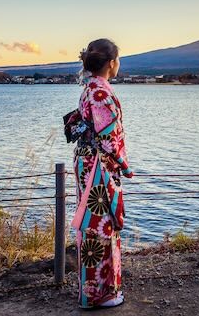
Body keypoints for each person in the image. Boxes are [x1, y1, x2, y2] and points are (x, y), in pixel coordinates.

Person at [71, 38, 133, 309]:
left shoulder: (89, 88)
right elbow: (109, 137)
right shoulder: (101, 92)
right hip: (100, 165)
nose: (118, 64)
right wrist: (124, 164)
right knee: (102, 226)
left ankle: (95, 291)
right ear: (111, 63)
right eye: (118, 60)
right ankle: (101, 294)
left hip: (88, 163)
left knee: (92, 225)